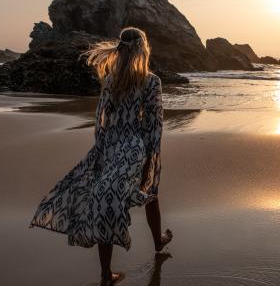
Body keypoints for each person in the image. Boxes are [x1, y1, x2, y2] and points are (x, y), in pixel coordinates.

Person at [29, 27, 173, 285]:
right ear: (143, 48)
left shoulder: (111, 80)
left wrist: (101, 149)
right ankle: (156, 244)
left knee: (105, 198)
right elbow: (154, 125)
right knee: (148, 193)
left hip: (110, 146)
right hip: (134, 148)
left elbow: (101, 120)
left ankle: (108, 274)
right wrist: (151, 157)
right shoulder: (151, 81)